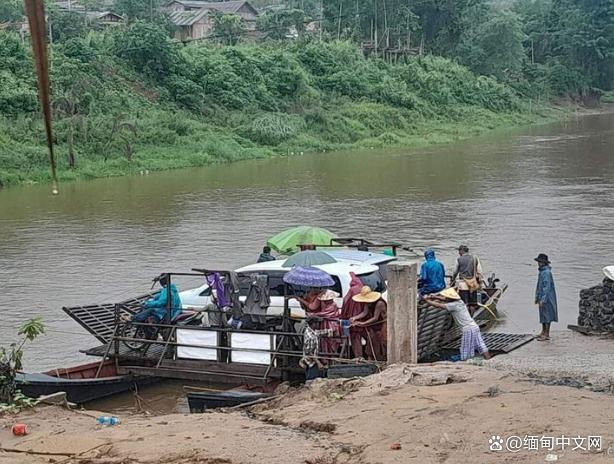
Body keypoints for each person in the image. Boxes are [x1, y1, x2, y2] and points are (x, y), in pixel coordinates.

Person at [425, 288, 491, 361]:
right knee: (480, 344)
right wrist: (434, 297)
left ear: (450, 298)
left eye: (447, 297)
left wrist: (427, 301)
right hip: (474, 326)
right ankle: (488, 360)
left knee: (465, 348)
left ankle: (465, 363)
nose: (445, 298)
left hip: (468, 329)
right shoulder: (460, 301)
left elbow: (438, 305)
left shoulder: (453, 306)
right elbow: (444, 299)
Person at [293, 289, 341, 354]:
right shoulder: (323, 302)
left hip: (331, 324)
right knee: (323, 341)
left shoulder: (332, 305)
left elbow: (323, 312)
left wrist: (312, 315)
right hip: (325, 324)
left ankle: (329, 357)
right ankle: (325, 357)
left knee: (330, 341)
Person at [351, 286, 387, 361]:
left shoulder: (379, 303)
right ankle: (370, 359)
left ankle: (382, 359)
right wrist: (355, 318)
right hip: (373, 327)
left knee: (381, 344)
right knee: (371, 344)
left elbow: (375, 318)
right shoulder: (367, 303)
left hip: (381, 325)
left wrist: (363, 323)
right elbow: (364, 312)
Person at [451, 245, 483, 313]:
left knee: (464, 304)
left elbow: (455, 272)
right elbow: (480, 271)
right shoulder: (475, 258)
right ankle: (473, 317)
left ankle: (465, 317)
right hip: (473, 285)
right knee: (473, 304)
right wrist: (480, 282)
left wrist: (452, 280)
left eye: (459, 251)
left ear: (462, 251)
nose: (458, 253)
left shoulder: (458, 259)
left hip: (463, 285)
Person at [340, 273, 365, 358]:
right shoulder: (362, 288)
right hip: (363, 318)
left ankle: (358, 356)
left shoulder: (352, 290)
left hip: (352, 317)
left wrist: (344, 314)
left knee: (355, 339)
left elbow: (345, 301)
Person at [534, 253, 558, 341]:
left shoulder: (546, 273)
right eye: (538, 262)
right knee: (542, 314)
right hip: (542, 296)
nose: (538, 263)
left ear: (544, 263)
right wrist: (537, 297)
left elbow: (546, 287)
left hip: (548, 297)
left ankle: (547, 333)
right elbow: (539, 286)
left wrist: (543, 299)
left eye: (540, 262)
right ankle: (543, 331)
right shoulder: (542, 272)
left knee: (547, 314)